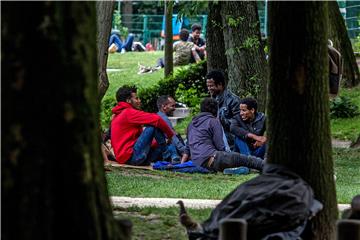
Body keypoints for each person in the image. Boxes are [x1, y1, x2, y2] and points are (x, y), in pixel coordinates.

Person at [187, 97, 264, 173]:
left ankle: (234, 170)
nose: (241, 113)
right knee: (246, 160)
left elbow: (188, 146)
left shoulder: (190, 124)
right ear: (216, 110)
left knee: (236, 161)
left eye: (243, 110)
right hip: (214, 158)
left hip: (201, 164)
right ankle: (268, 166)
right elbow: (220, 146)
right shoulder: (213, 121)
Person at [110, 85, 176, 166]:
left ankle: (171, 157)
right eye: (136, 98)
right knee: (153, 125)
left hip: (128, 158)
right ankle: (168, 156)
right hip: (132, 157)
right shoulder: (128, 113)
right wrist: (170, 136)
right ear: (128, 100)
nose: (139, 100)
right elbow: (157, 119)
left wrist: (159, 142)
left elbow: (139, 141)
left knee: (163, 144)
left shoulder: (118, 115)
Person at [206, 70, 240, 149]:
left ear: (220, 84)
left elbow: (238, 124)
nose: (209, 88)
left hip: (228, 136)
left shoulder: (233, 100)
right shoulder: (211, 100)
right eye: (208, 86)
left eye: (211, 86)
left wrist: (220, 120)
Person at [157, 95, 189, 164]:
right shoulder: (163, 119)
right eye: (172, 106)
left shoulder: (160, 116)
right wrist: (185, 152)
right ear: (164, 106)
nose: (174, 108)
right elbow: (173, 138)